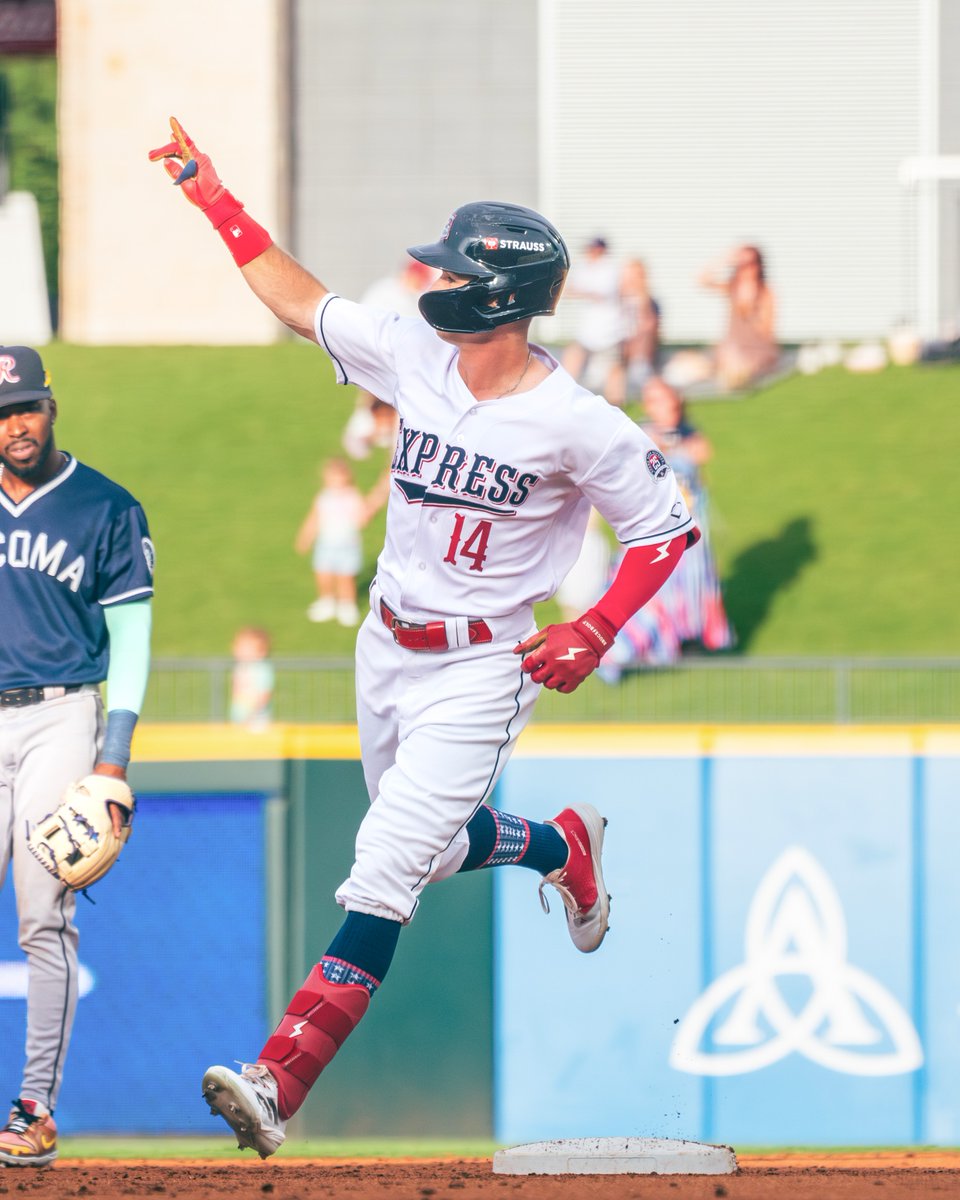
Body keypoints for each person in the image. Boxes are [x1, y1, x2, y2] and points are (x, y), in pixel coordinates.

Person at [150, 118, 699, 1159]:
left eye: (453, 267)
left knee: (386, 863)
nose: (431, 277)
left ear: (498, 297)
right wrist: (209, 195)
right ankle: (560, 844)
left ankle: (279, 1075)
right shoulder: (411, 350)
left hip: (484, 663)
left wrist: (594, 626)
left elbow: (668, 530)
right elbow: (298, 298)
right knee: (435, 846)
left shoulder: (579, 421)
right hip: (387, 647)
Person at [0, 346, 153, 1167]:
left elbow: (131, 635)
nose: (15, 424)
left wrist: (113, 761)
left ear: (51, 404)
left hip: (63, 715)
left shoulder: (105, 506)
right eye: (1, 413)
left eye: (25, 405)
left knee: (41, 915)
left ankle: (34, 1110)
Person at [600, 377, 734, 676]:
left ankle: (688, 643)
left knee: (692, 589)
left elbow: (702, 453)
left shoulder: (688, 432)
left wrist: (671, 441)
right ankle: (640, 649)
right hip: (655, 527)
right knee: (650, 587)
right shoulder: (640, 431)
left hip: (689, 528)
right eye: (654, 399)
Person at [342, 259, 436, 459]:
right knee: (375, 396)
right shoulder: (387, 292)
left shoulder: (413, 295)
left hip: (400, 364)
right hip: (379, 357)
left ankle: (387, 440)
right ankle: (372, 435)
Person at [294, 457, 387, 626]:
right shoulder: (323, 498)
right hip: (325, 544)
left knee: (346, 578)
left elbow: (362, 518)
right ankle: (327, 601)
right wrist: (306, 536)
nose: (336, 481)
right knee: (324, 575)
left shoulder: (352, 497)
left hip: (347, 545)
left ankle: (347, 605)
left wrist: (375, 501)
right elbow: (314, 519)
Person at [698, 244, 779, 391]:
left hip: (755, 348)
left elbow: (767, 332)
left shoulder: (766, 293)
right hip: (732, 346)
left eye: (749, 264)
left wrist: (749, 311)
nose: (745, 269)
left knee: (736, 365)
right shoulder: (732, 287)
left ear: (758, 266)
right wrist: (725, 260)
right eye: (741, 265)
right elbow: (703, 280)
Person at [559, 236, 624, 400]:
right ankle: (565, 395)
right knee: (573, 358)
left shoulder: (610, 268)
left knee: (613, 369)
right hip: (588, 330)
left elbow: (601, 293)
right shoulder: (585, 268)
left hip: (609, 330)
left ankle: (616, 403)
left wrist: (580, 291)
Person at [618, 258, 661, 401]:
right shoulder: (615, 301)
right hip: (616, 348)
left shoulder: (650, 303)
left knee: (643, 331)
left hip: (638, 354)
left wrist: (641, 298)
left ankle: (638, 371)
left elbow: (650, 329)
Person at [229, 626, 274, 729]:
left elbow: (264, 694)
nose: (239, 651)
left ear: (261, 652)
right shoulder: (240, 667)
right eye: (238, 647)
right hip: (239, 717)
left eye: (246, 649)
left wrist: (250, 713)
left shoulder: (261, 669)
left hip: (256, 719)